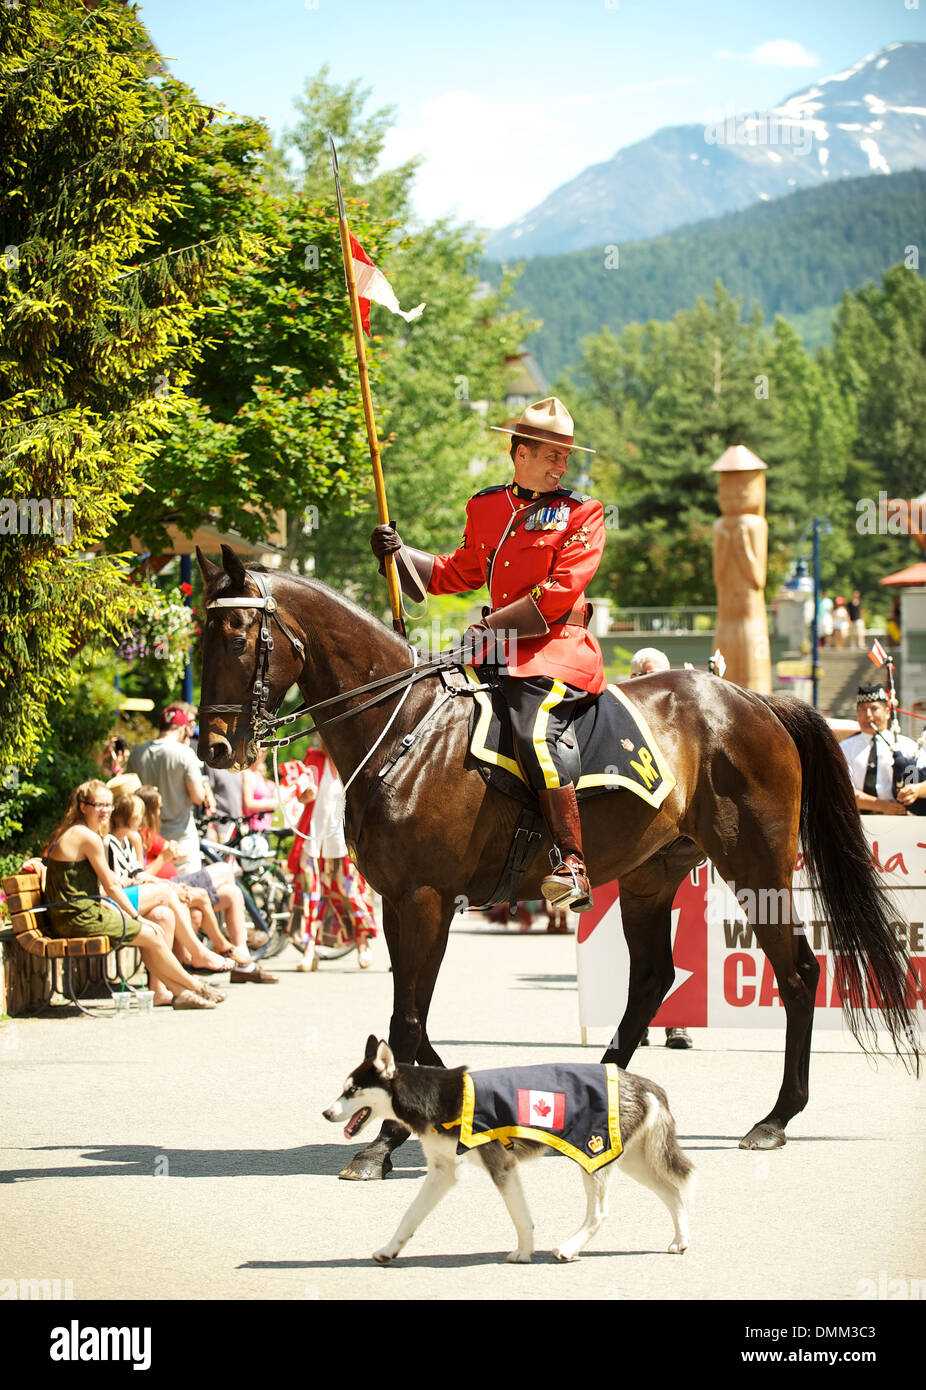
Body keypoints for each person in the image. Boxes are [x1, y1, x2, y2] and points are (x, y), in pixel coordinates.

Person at [371, 396, 605, 912]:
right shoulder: (486, 506)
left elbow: (560, 592)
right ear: (520, 451)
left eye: (566, 456)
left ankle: (572, 863)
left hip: (555, 650)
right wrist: (398, 553)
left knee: (532, 729)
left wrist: (488, 628)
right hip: (493, 650)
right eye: (552, 454)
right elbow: (461, 572)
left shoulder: (581, 513)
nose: (562, 465)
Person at [42, 780, 226, 1010]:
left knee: (159, 919)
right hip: (78, 918)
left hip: (77, 912)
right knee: (150, 933)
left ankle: (180, 992)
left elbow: (90, 886)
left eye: (109, 805)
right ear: (83, 807)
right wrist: (135, 917)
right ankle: (194, 985)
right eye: (99, 805)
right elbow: (110, 886)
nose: (106, 811)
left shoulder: (80, 833)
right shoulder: (87, 837)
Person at [135, 784, 270, 977]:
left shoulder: (149, 834)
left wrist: (168, 854)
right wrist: (164, 858)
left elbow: (176, 853)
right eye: (158, 807)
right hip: (167, 886)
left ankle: (242, 960)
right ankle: (224, 943)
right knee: (223, 870)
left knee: (232, 893)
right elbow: (140, 874)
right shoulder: (139, 835)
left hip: (172, 884)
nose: (160, 811)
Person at [629, 649, 693, 1051]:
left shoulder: (683, 717)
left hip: (685, 841)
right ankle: (641, 1024)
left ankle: (679, 1023)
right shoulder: (626, 717)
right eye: (649, 675)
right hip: (643, 845)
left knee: (687, 942)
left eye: (663, 674)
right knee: (643, 941)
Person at [286, 749, 377, 971]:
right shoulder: (315, 760)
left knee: (349, 891)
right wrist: (302, 793)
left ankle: (362, 944)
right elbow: (303, 789)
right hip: (314, 838)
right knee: (310, 894)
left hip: (341, 839)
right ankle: (309, 951)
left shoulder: (350, 758)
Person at [840, 684, 926, 815]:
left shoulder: (907, 745)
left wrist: (917, 790)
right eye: (862, 709)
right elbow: (842, 790)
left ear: (887, 712)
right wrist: (882, 806)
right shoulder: (844, 748)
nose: (868, 715)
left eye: (874, 709)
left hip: (900, 821)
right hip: (857, 822)